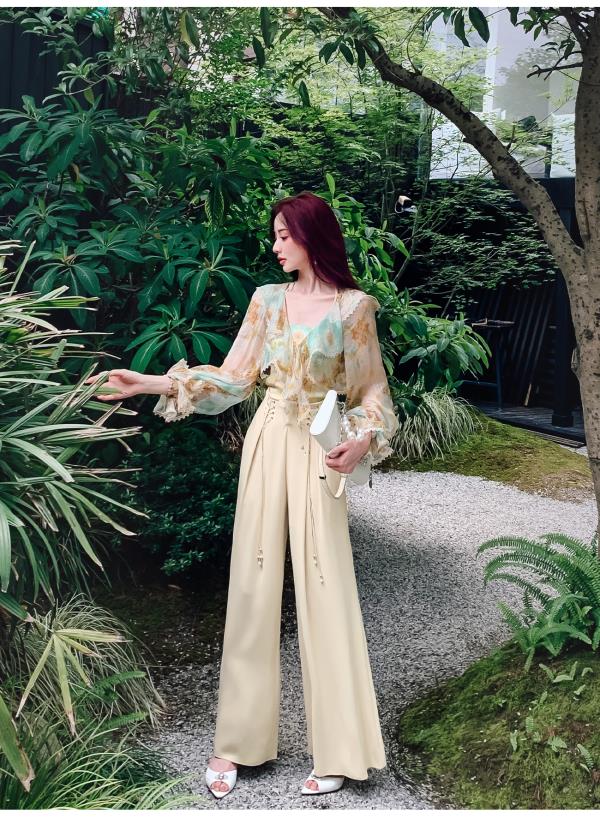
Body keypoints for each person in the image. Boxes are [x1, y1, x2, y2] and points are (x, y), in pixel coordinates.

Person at [84, 191, 400, 799]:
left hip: (322, 447)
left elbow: (372, 393)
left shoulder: (355, 307)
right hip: (268, 437)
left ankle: (340, 748)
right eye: (275, 235)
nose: (276, 245)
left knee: (327, 584)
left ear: (311, 237)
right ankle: (237, 742)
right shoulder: (266, 300)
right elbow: (233, 380)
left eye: (284, 235)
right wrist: (147, 382)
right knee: (252, 584)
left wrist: (363, 438)